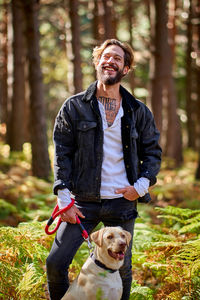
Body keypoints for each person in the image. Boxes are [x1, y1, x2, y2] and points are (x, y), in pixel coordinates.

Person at [46, 39, 162, 300]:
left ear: (126, 69)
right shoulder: (74, 107)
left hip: (122, 203)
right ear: (97, 62)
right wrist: (64, 197)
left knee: (123, 271)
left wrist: (140, 187)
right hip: (81, 203)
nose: (110, 61)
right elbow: (62, 152)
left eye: (118, 58)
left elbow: (152, 152)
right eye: (106, 57)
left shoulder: (138, 111)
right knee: (56, 263)